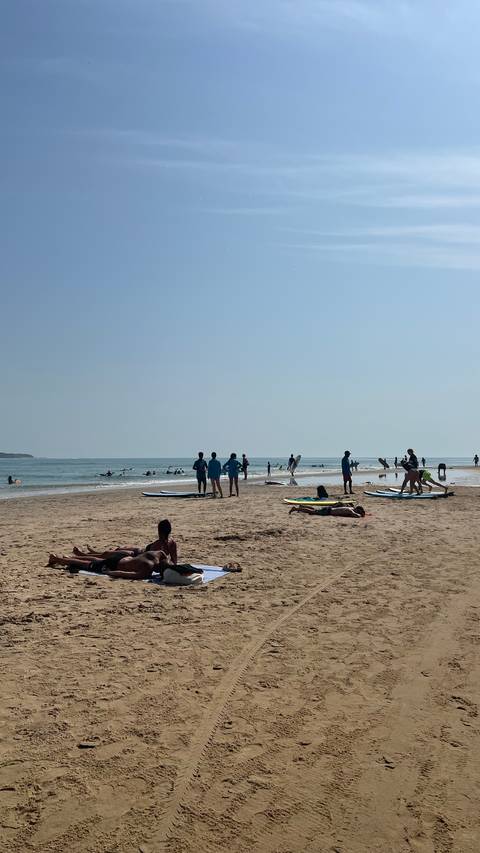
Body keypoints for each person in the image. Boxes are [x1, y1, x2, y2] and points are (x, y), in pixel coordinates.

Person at [73, 519, 178, 565]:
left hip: (135, 556)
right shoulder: (170, 543)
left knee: (108, 555)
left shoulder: (166, 544)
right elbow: (174, 561)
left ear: (160, 531)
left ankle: (84, 555)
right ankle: (93, 552)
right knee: (117, 549)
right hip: (138, 551)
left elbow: (173, 562)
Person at [289, 503, 366, 518]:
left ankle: (302, 506)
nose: (358, 512)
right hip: (328, 511)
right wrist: (361, 515)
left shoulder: (351, 508)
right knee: (312, 512)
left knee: (314, 510)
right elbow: (356, 515)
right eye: (359, 511)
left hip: (329, 509)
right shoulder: (350, 510)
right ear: (357, 509)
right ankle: (295, 509)